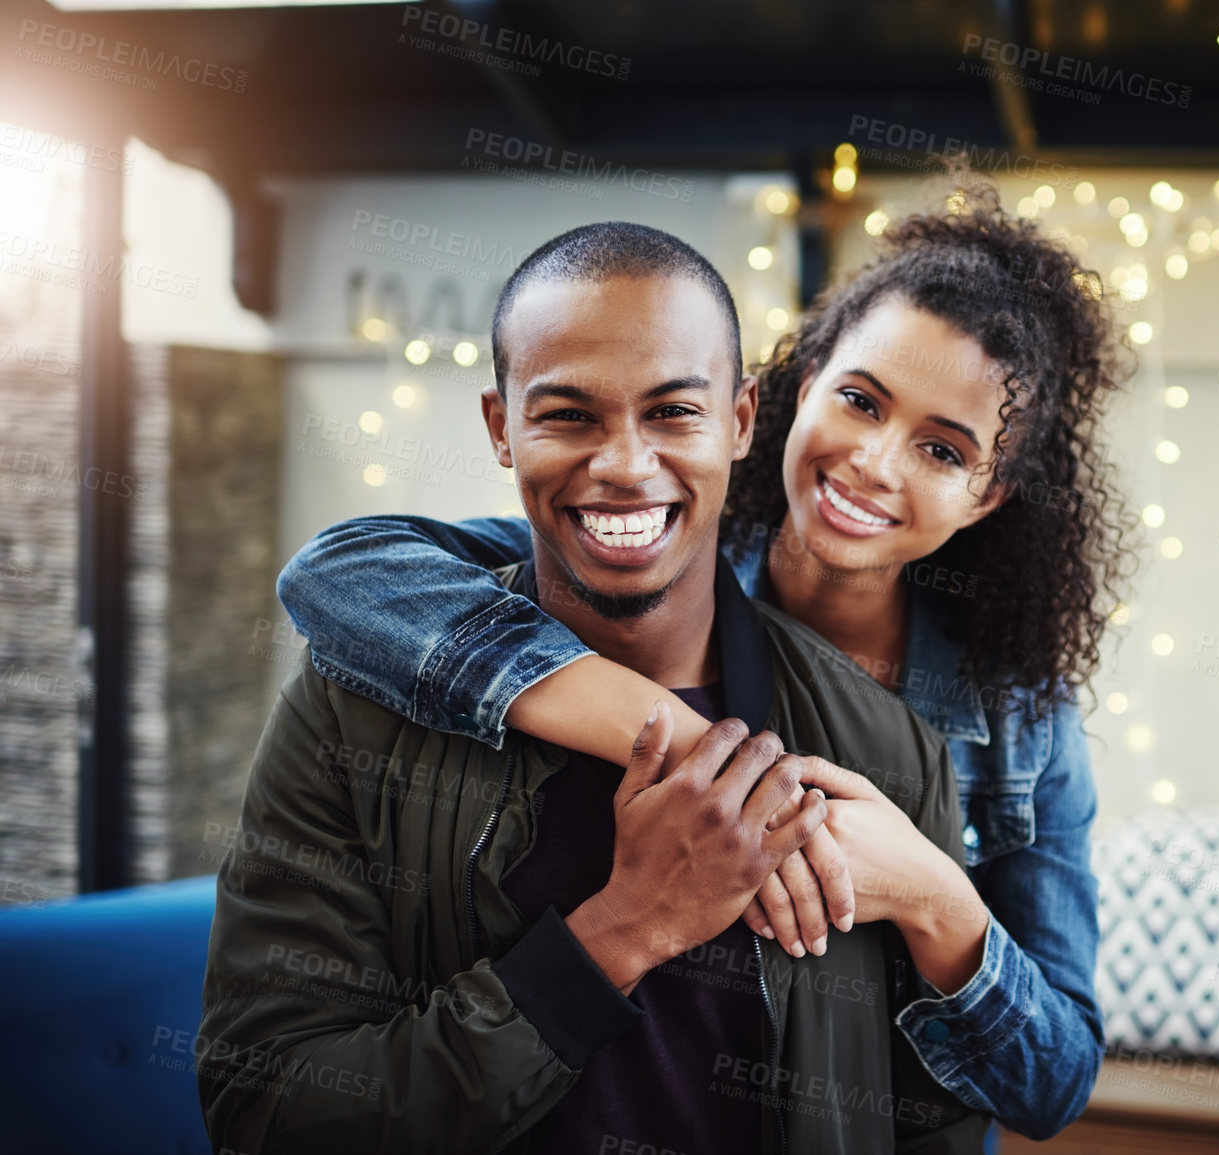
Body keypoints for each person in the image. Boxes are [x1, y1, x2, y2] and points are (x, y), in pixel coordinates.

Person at [278, 180, 1134, 1140]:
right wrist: (689, 738)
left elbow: (1052, 1083)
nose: (874, 462)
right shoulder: (647, 555)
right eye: (859, 400)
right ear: (796, 390)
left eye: (942, 450)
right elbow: (338, 577)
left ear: (986, 495)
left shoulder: (1015, 717)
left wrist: (934, 895)